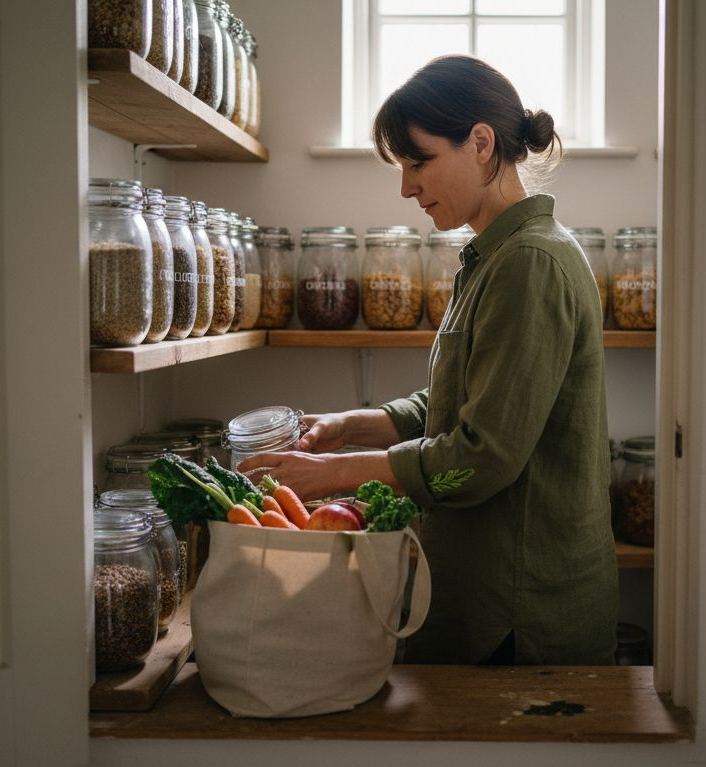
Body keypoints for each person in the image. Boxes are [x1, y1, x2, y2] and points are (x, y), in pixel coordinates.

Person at [238, 55, 617, 666]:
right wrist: (348, 425)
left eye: (419, 162)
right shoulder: (494, 256)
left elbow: (482, 456)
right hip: (488, 599)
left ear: (481, 144)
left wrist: (329, 475)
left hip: (520, 619)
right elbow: (459, 402)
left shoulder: (529, 263)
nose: (407, 186)